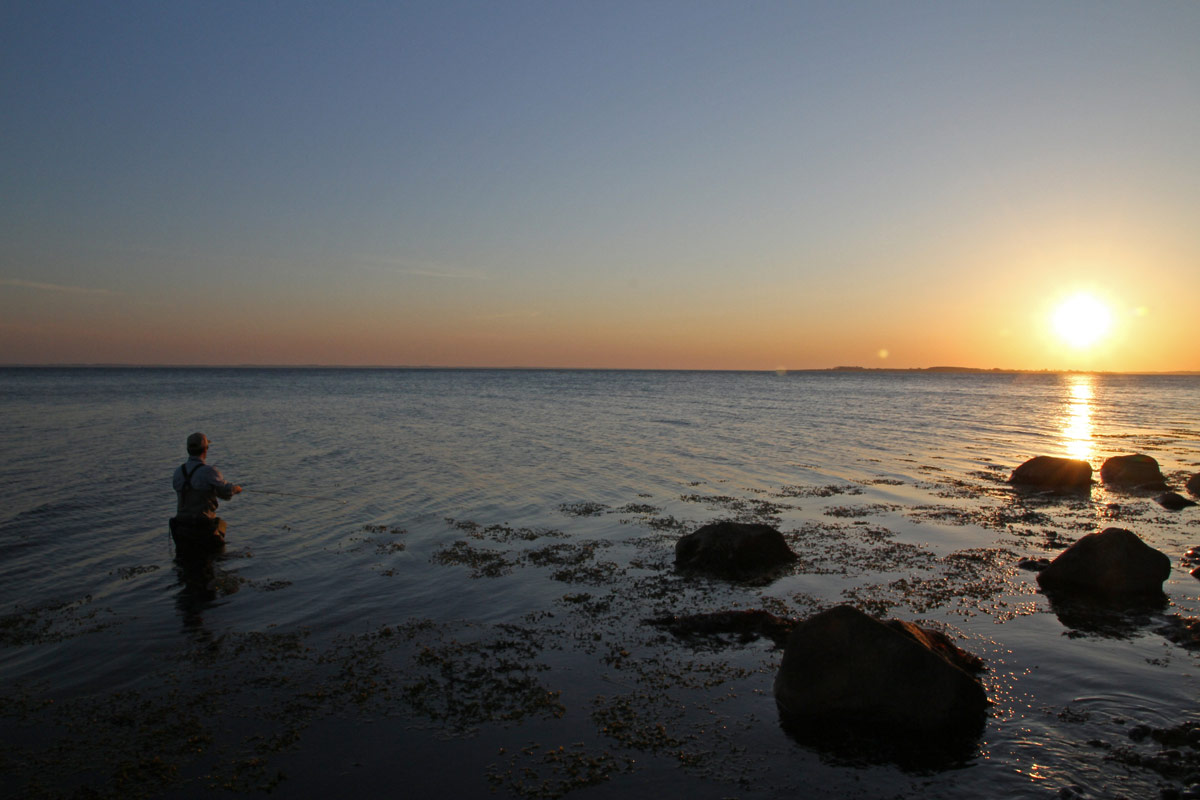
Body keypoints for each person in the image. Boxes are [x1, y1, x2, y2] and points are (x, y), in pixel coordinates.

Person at [170, 432, 242, 556]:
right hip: (203, 526)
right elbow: (226, 493)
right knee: (220, 530)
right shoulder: (209, 472)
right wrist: (236, 489)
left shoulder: (178, 472)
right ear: (205, 449)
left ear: (188, 450)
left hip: (181, 527)